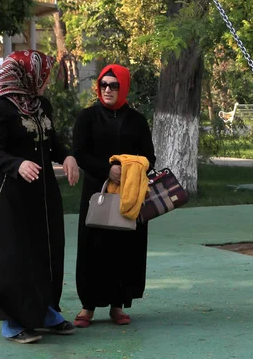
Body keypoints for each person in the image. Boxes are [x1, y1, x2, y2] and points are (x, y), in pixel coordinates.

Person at [0, 50, 80, 343]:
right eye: (44, 74)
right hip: (10, 194)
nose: (47, 80)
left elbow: (53, 142)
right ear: (28, 74)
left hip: (43, 191)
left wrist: (68, 157)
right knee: (15, 255)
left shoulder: (41, 105)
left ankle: (47, 311)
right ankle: (13, 321)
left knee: (47, 250)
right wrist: (17, 164)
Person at [72, 64, 156, 327]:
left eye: (114, 85)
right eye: (104, 85)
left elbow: (149, 158)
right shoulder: (87, 117)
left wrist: (128, 170)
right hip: (97, 193)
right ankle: (87, 307)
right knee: (92, 247)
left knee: (124, 249)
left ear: (124, 87)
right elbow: (80, 153)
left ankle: (118, 305)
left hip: (128, 196)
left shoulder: (137, 121)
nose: (107, 90)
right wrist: (108, 171)